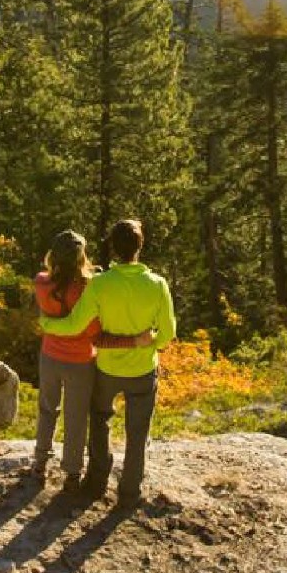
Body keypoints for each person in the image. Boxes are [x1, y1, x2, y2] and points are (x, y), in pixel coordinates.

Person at [77, 216, 176, 505]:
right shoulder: (157, 284)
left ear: (113, 247)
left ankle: (96, 482)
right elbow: (168, 334)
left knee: (99, 420)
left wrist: (50, 324)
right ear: (140, 246)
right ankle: (129, 492)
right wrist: (148, 344)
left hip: (107, 367)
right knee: (138, 432)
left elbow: (80, 322)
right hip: (143, 369)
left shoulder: (99, 284)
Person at [28, 230, 111, 493]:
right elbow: (93, 329)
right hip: (81, 360)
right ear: (80, 257)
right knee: (76, 417)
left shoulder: (41, 282)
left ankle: (40, 463)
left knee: (47, 409)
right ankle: (72, 473)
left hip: (50, 356)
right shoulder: (85, 289)